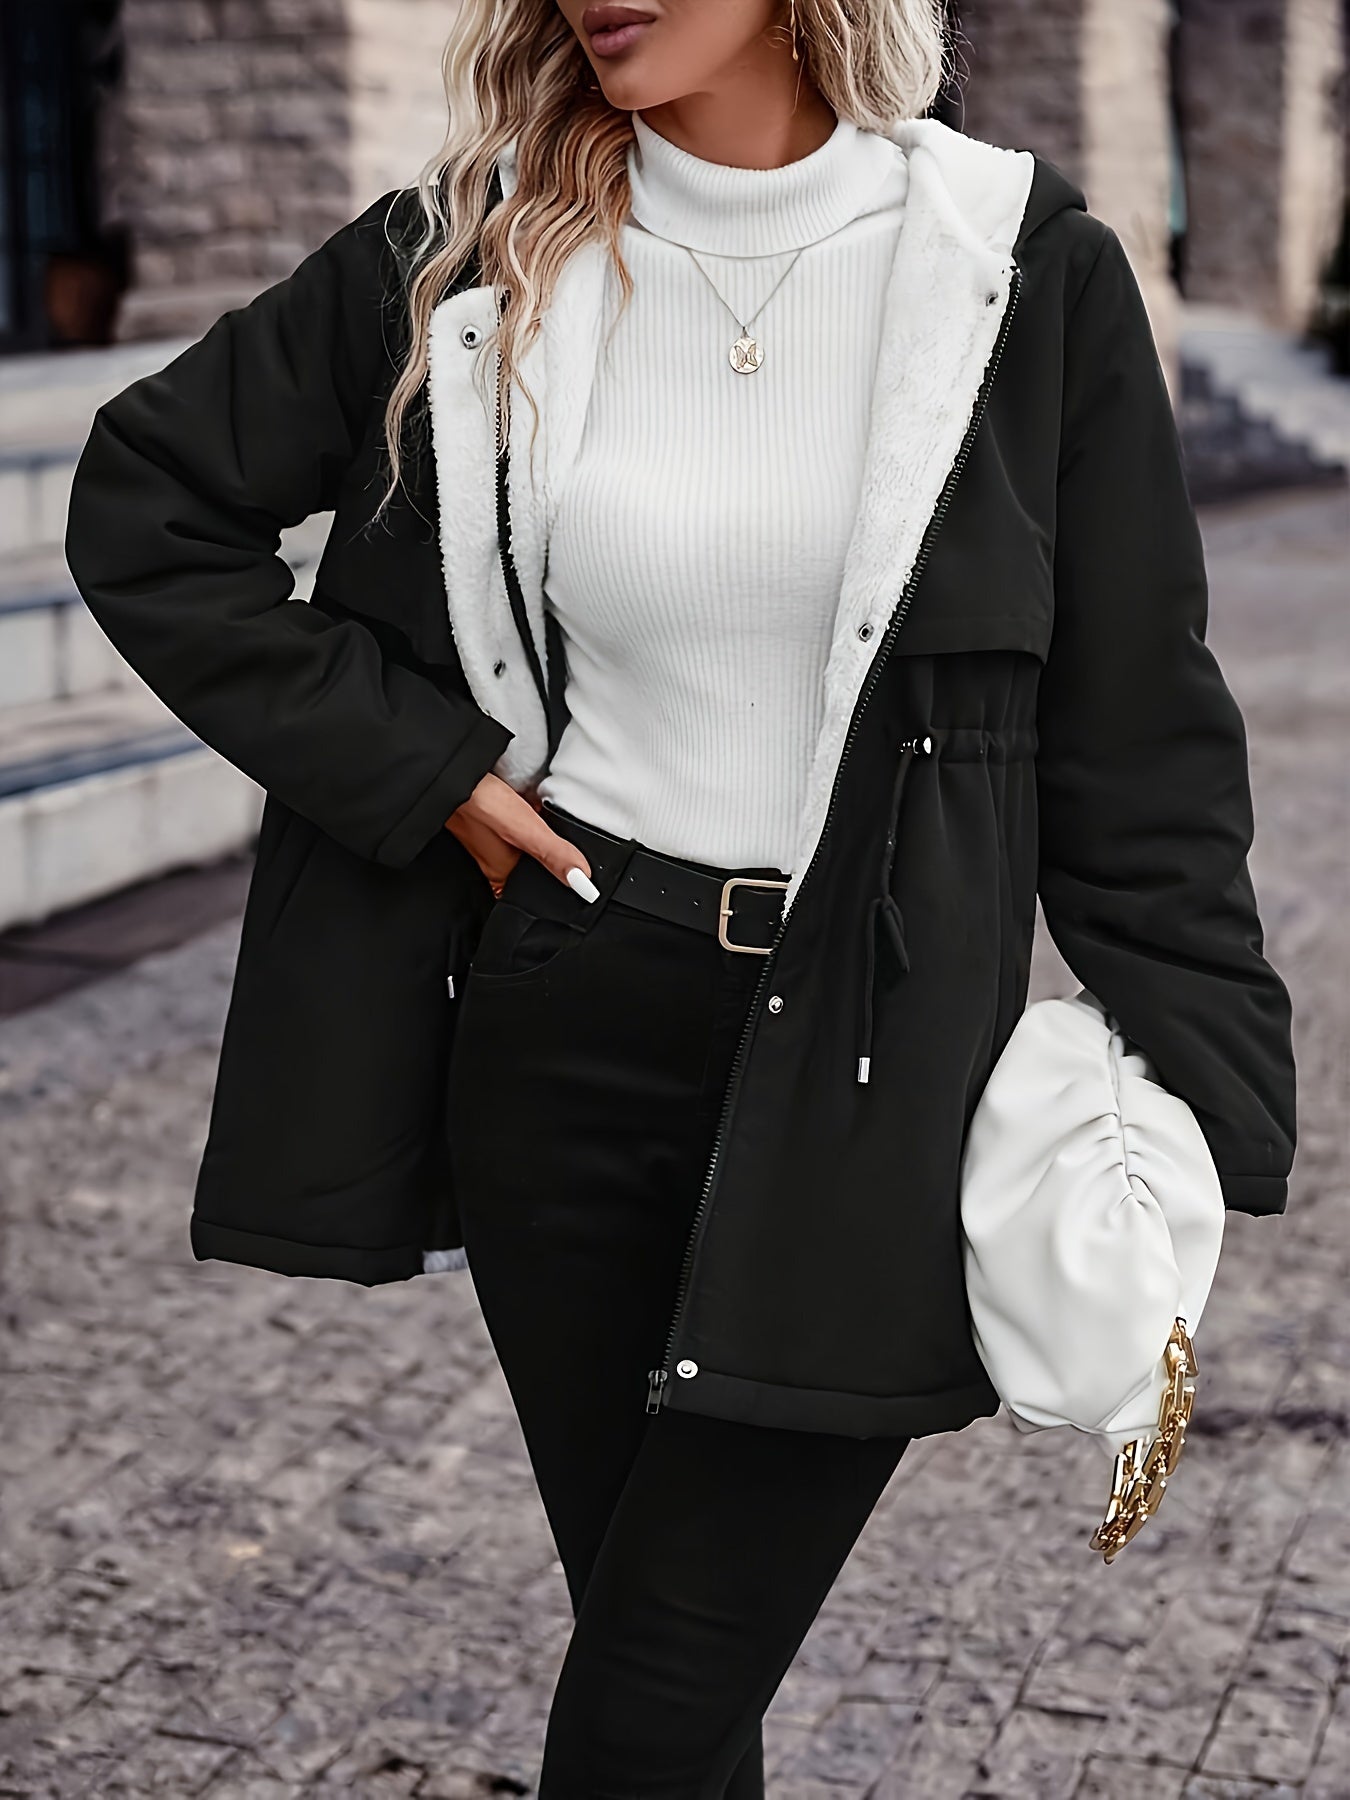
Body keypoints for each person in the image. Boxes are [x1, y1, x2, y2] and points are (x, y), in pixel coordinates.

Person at [64, 1, 1298, 1792]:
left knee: (659, 1687)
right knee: (668, 1678)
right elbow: (151, 500)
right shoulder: (469, 251)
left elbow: (1137, 723)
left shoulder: (1014, 265)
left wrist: (1209, 1086)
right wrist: (433, 779)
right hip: (565, 1023)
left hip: (871, 1065)